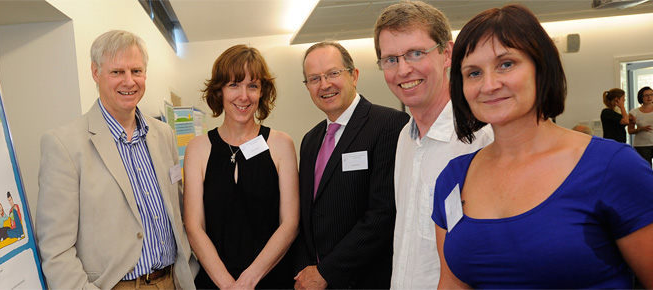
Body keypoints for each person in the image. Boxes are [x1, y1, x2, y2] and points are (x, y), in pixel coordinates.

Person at [434, 4, 653, 288]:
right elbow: (452, 282)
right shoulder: (453, 179)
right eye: (473, 73)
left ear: (541, 69)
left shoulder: (613, 167)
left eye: (506, 64)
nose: (489, 85)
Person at [35, 30, 196, 289]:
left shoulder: (163, 134)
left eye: (136, 71)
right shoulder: (64, 145)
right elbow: (55, 249)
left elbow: (178, 211)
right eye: (117, 72)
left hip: (173, 281)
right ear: (96, 73)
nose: (129, 81)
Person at [371, 1, 493, 288]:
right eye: (390, 59)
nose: (402, 70)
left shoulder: (480, 140)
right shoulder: (404, 138)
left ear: (447, 53)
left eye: (415, 54)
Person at [292, 41, 409, 289]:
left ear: (354, 75)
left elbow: (383, 214)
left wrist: (326, 272)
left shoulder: (389, 124)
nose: (324, 85)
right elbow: (306, 215)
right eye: (314, 78)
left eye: (333, 73)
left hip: (366, 280)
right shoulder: (310, 140)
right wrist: (305, 271)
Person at [183, 44, 299, 289]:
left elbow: (289, 224)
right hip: (215, 283)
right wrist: (228, 285)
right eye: (234, 85)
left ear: (262, 91)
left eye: (253, 86)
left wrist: (248, 281)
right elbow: (194, 227)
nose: (243, 96)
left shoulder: (281, 145)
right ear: (219, 90)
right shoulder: (197, 149)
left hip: (271, 281)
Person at [629, 87, 653, 173]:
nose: (649, 97)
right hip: (642, 145)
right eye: (646, 95)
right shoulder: (634, 112)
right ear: (641, 97)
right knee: (644, 171)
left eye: (651, 94)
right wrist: (640, 129)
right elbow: (630, 131)